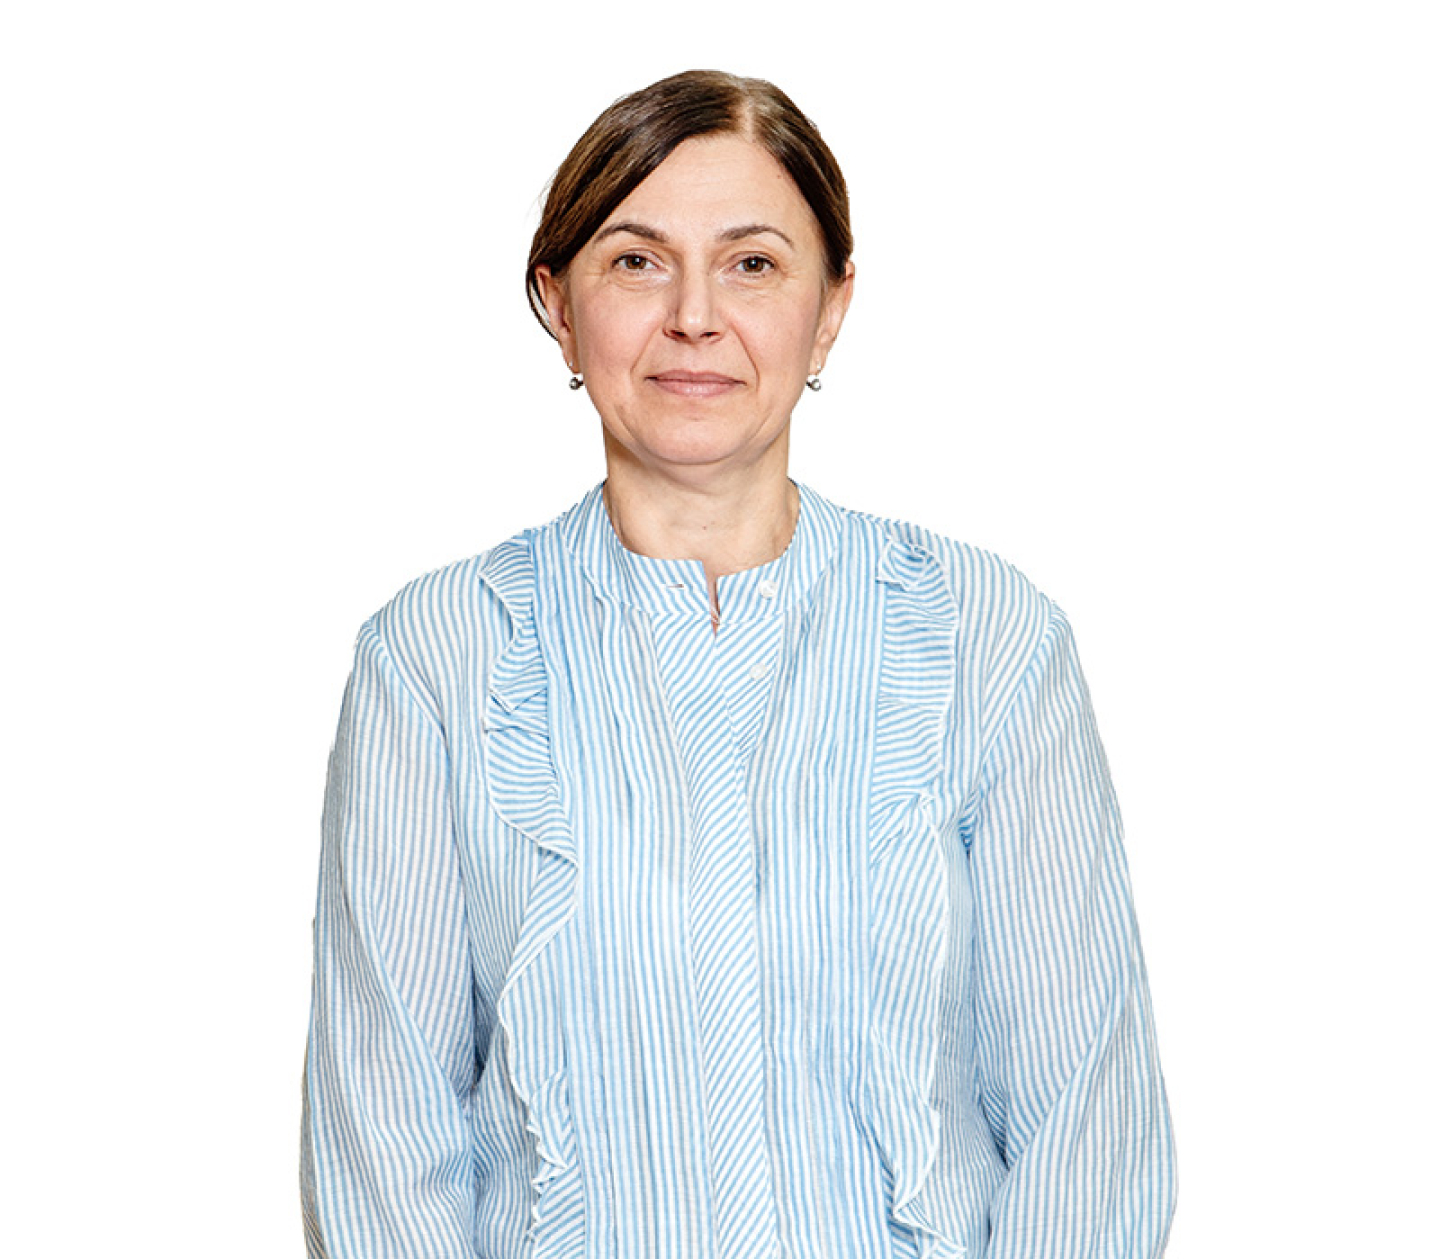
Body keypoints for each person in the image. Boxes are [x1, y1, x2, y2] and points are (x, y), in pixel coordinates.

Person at [301, 70, 1176, 1258]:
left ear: (832, 306)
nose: (695, 317)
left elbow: (1089, 1120)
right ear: (559, 305)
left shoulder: (988, 637)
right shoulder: (434, 658)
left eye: (753, 263)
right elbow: (383, 1141)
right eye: (636, 261)